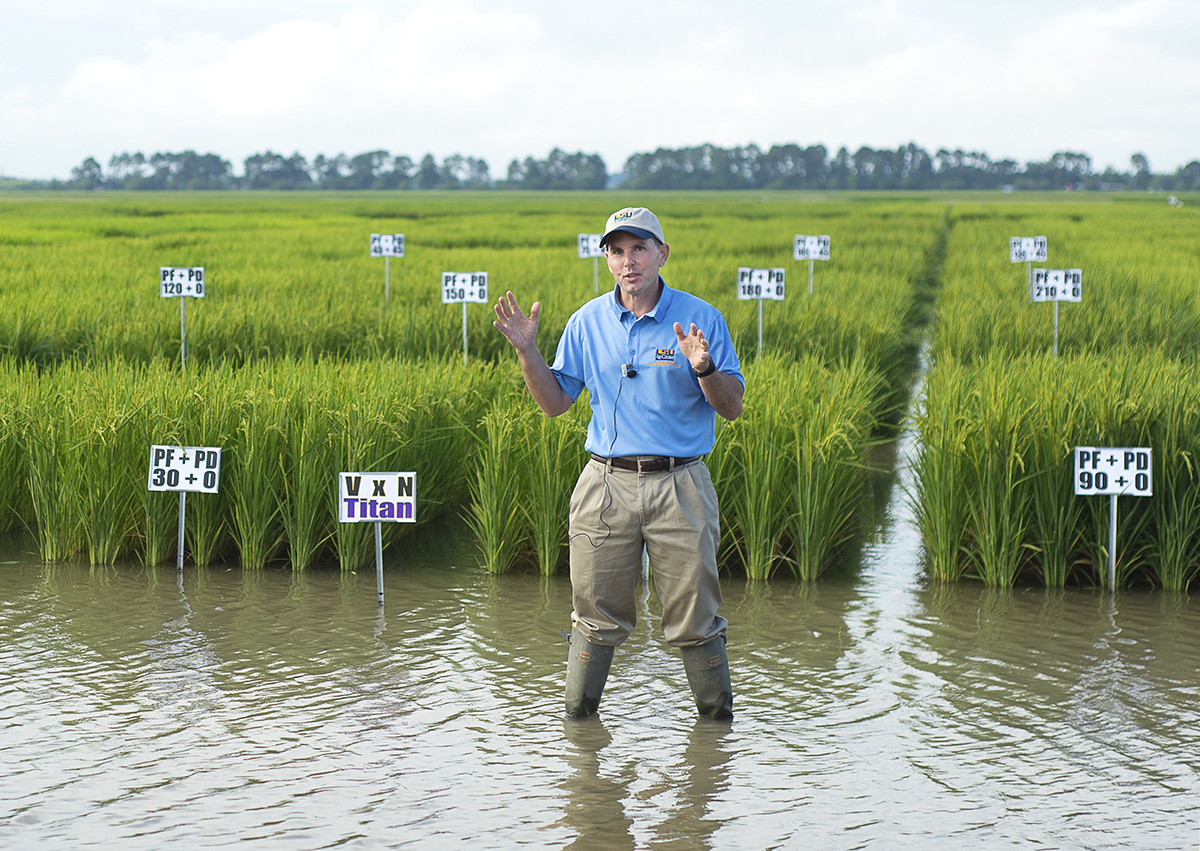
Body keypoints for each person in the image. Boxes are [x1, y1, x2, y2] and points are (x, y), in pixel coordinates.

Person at [493, 206, 744, 721]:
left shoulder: (701, 319)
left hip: (681, 483)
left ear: (662, 253)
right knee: (593, 613)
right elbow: (555, 403)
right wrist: (526, 353)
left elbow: (732, 406)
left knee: (696, 615)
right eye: (616, 251)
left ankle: (716, 734)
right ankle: (579, 733)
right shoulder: (587, 322)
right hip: (605, 484)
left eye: (638, 249)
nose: (627, 261)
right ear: (606, 258)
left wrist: (704, 367)